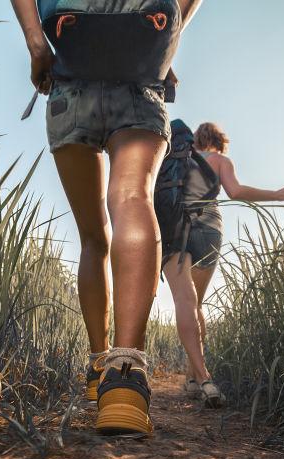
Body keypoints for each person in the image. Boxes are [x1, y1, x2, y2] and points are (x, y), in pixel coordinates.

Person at [11, 0, 204, 435]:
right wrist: (166, 46)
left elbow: (35, 31)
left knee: (92, 237)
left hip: (70, 81)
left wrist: (36, 45)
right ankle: (126, 379)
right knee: (132, 198)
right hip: (140, 81)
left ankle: (99, 367)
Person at [163, 122, 284, 406]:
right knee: (196, 304)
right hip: (207, 227)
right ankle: (196, 378)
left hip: (173, 227)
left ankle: (198, 378)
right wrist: (278, 194)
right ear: (219, 140)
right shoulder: (220, 160)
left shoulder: (177, 162)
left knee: (184, 301)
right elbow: (235, 191)